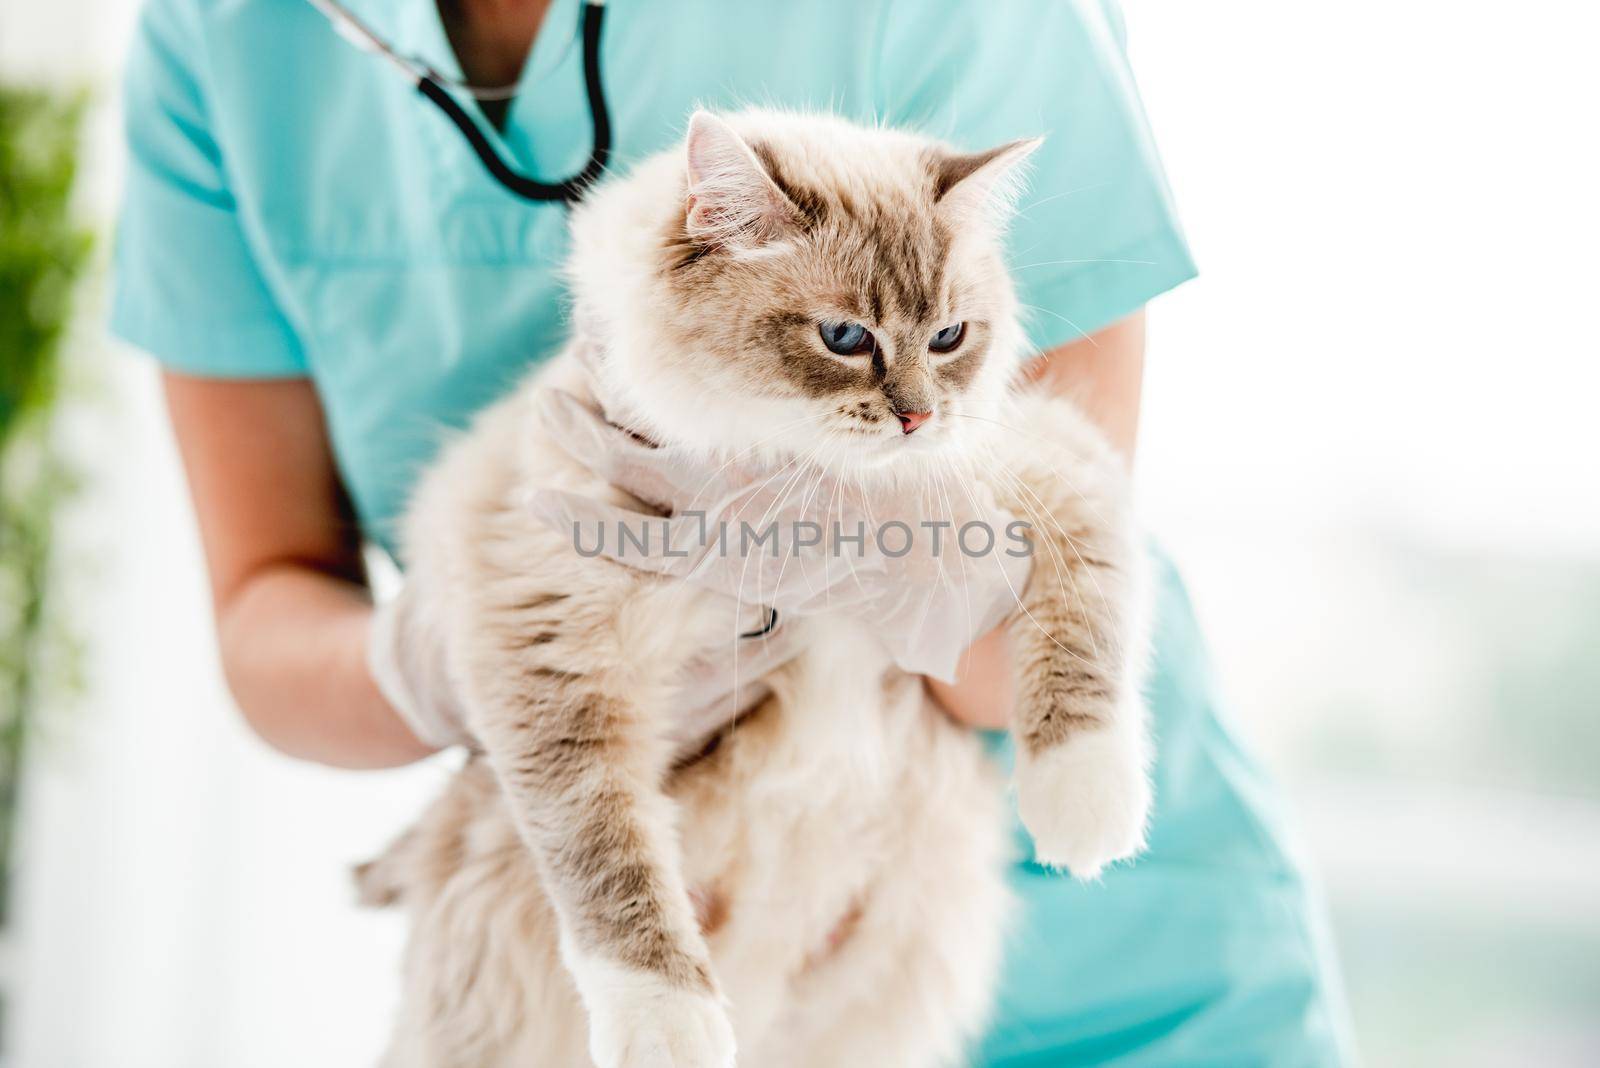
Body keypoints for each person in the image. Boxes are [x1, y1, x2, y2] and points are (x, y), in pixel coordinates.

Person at [113, 0, 1354, 1062]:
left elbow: (1013, 635)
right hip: (623, 939)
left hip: (1086, 977)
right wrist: (442, 663)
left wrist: (866, 555)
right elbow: (266, 610)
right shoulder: (226, 36)